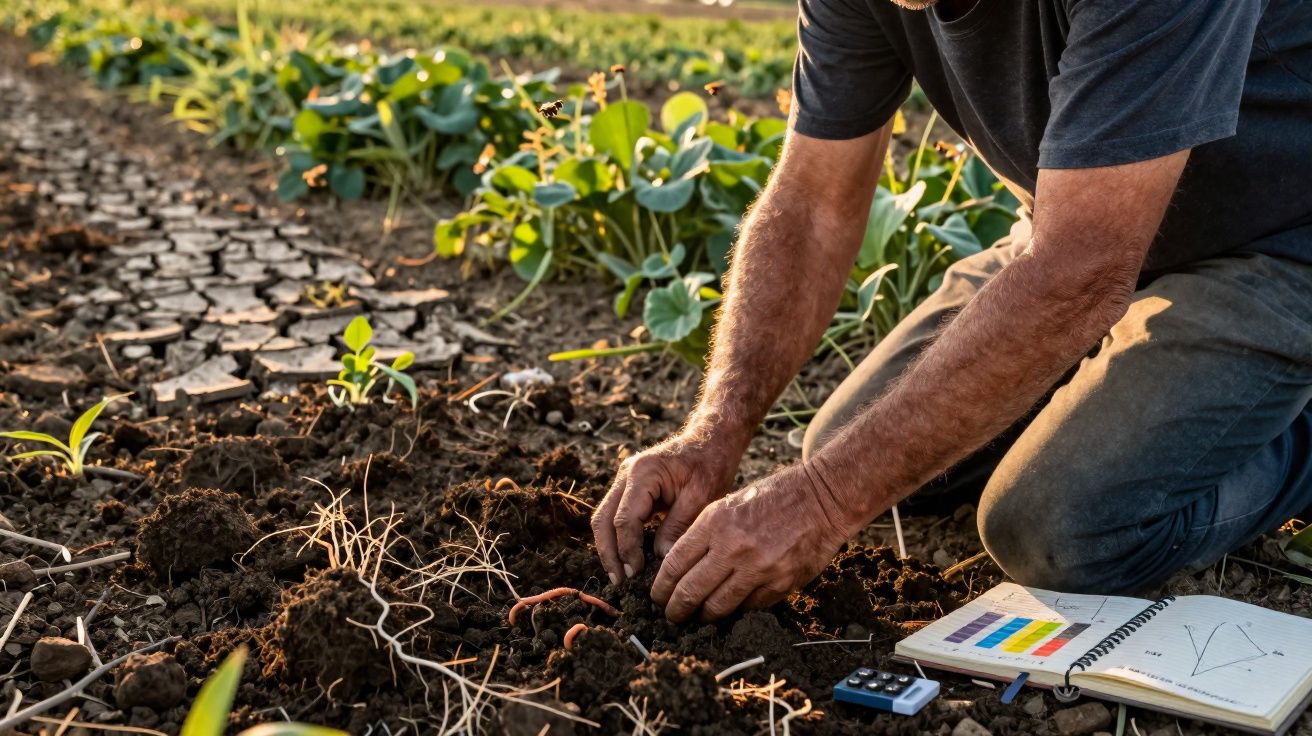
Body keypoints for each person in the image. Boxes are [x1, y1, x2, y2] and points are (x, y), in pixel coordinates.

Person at [591, 0, 1312, 623]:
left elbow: (1080, 269)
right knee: (852, 445)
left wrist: (824, 501)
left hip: (1278, 245)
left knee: (1058, 529)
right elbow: (811, 205)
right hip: (1079, 224)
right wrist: (714, 436)